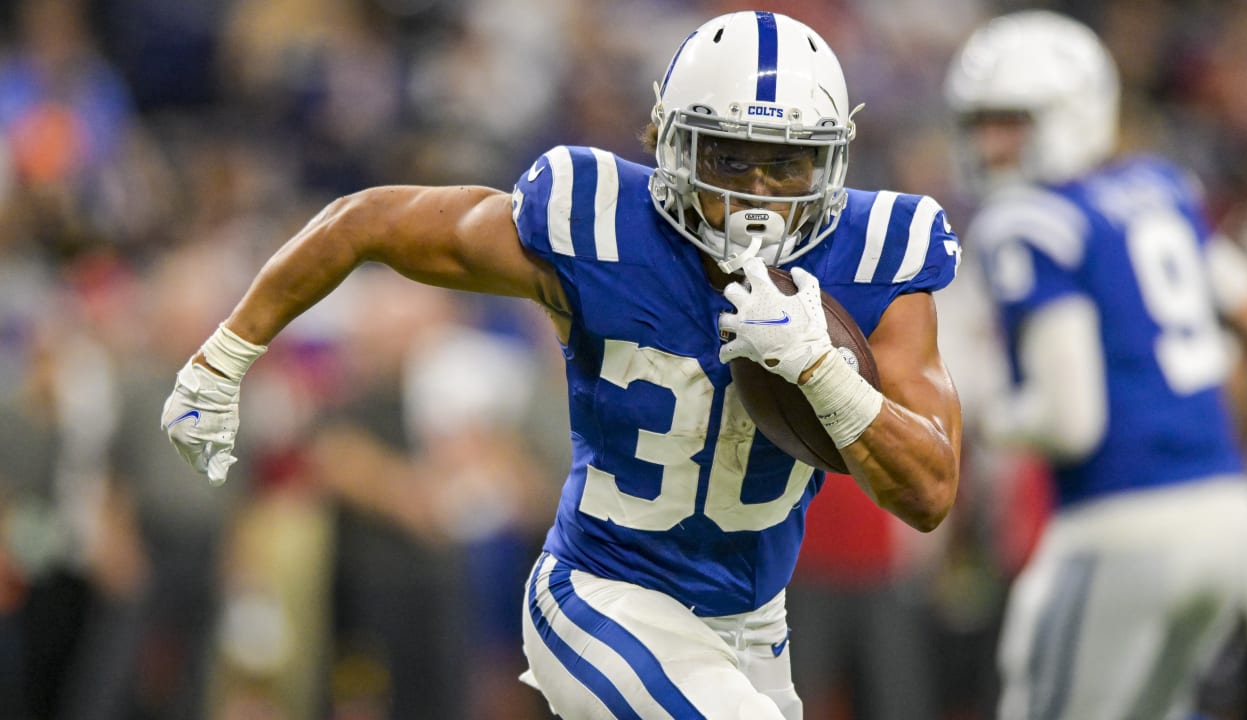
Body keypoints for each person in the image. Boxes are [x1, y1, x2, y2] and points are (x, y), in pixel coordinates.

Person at [162, 10, 963, 719]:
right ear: (672, 147)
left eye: (784, 166)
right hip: (606, 598)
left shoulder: (876, 260)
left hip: (753, 624)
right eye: (726, 159)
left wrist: (824, 373)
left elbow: (929, 492)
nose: (756, 197)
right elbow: (367, 221)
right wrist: (222, 356)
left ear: (831, 167)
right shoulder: (598, 227)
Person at [944, 10, 1247, 720]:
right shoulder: (1160, 191)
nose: (989, 143)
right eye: (979, 122)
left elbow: (1070, 422)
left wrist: (991, 414)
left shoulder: (1031, 223)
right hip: (1226, 513)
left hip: (1121, 521)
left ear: (1071, 111)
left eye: (1010, 121)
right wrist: (1224, 440)